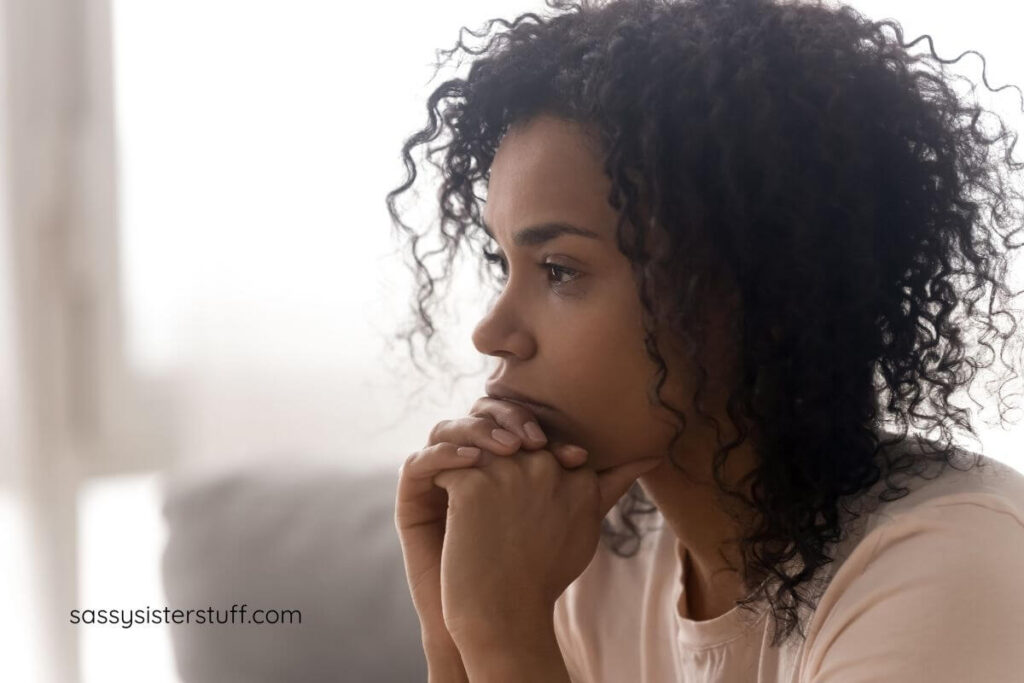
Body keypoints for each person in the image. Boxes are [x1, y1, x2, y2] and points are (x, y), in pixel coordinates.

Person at [389, 0, 1024, 680]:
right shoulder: (587, 557)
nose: (492, 333)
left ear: (760, 288)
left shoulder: (950, 564)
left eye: (559, 269)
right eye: (504, 264)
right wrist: (452, 628)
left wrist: (502, 628)